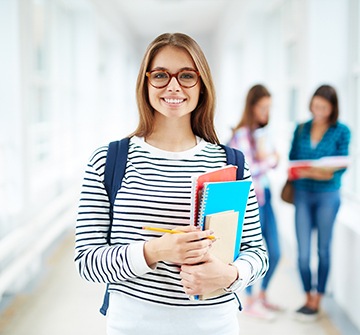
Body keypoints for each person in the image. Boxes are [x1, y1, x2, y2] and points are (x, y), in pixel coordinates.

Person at [74, 33, 268, 335]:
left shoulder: (231, 163)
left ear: (202, 85)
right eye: (161, 75)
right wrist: (155, 251)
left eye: (187, 75)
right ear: (145, 82)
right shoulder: (109, 160)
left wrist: (229, 274)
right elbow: (87, 262)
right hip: (133, 326)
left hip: (214, 325)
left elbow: (257, 252)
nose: (174, 86)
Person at [289, 84, 351, 321]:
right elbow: (293, 162)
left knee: (323, 249)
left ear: (333, 108)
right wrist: (317, 171)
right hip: (302, 195)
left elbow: (338, 169)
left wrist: (311, 171)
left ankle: (319, 297)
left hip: (328, 196)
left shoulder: (342, 130)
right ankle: (307, 297)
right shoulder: (301, 128)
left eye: (324, 107)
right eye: (315, 106)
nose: (319, 111)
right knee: (303, 253)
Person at [227, 84, 281, 320]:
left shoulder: (261, 133)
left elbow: (274, 159)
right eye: (262, 107)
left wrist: (272, 158)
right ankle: (248, 299)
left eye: (269, 108)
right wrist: (270, 160)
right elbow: (247, 171)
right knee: (249, 251)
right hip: (251, 201)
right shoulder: (240, 136)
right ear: (251, 107)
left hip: (266, 197)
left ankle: (262, 295)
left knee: (276, 252)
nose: (266, 113)